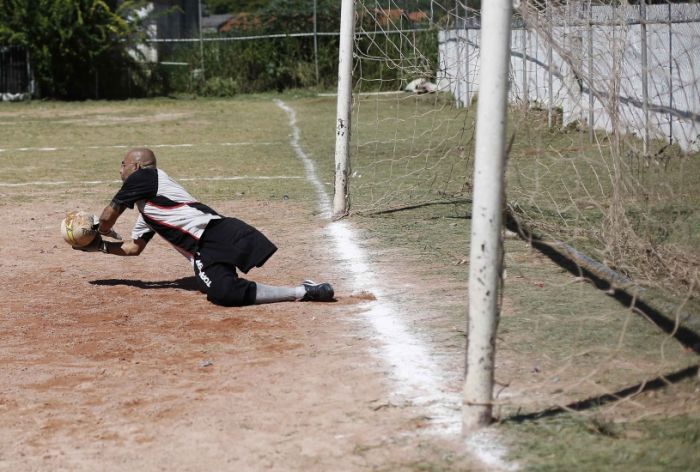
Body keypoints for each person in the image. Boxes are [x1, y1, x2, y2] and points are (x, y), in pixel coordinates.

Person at [75, 147, 334, 306]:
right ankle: (303, 291)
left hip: (219, 232)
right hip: (203, 252)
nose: (120, 169)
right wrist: (101, 247)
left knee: (224, 291)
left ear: (137, 166)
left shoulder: (147, 176)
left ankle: (302, 291)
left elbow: (109, 216)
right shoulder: (150, 209)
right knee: (224, 294)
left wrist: (98, 229)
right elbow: (134, 248)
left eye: (123, 164)